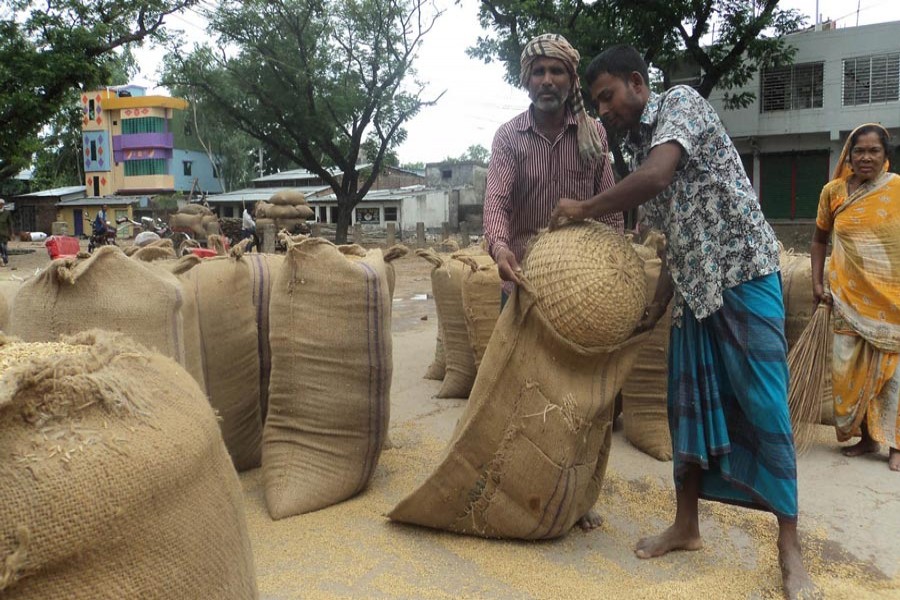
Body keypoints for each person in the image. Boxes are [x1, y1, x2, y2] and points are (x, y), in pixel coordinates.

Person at [548, 45, 815, 599]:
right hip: (695, 294)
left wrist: (583, 208)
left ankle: (790, 546)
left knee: (766, 406)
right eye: (596, 105)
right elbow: (669, 244)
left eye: (607, 98)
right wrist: (652, 306)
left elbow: (655, 178)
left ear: (637, 83)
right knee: (686, 409)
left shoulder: (680, 105)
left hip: (744, 275)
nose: (603, 112)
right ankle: (686, 525)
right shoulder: (639, 145)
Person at [483, 33, 623, 307]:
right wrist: (500, 250)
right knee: (513, 351)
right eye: (538, 72)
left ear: (571, 81)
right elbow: (496, 203)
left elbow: (610, 210)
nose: (547, 80)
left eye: (557, 71)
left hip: (583, 283)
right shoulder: (509, 137)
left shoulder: (593, 134)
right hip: (522, 281)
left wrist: (616, 260)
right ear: (527, 81)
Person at [811, 123, 900, 472]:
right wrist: (818, 282)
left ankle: (895, 443)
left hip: (891, 300)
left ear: (885, 156)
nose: (865, 157)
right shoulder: (832, 192)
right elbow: (819, 240)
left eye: (873, 151)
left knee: (893, 375)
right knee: (848, 372)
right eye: (858, 151)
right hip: (845, 298)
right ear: (848, 155)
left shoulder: (896, 190)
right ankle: (867, 437)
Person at [0, 198, 12, 266]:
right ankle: (2, 260)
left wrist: (11, 233)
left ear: (3, 205)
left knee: (4, 247)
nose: (0, 206)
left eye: (1, 204)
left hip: (4, 234)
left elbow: (10, 223)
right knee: (0, 247)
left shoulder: (7, 213)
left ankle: (5, 259)